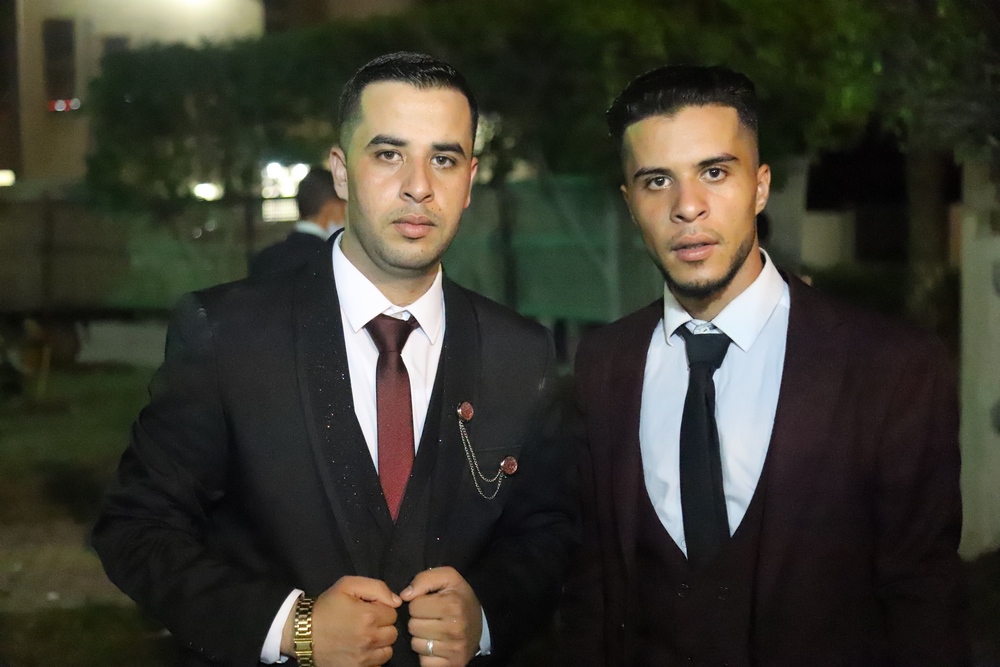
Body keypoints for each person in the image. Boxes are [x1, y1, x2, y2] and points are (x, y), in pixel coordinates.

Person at [93, 52, 575, 667]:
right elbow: (136, 527)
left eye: (444, 159)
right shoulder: (230, 335)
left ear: (470, 179)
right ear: (342, 173)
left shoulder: (520, 352)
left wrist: (486, 613)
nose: (419, 186)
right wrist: (290, 628)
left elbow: (550, 533)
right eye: (389, 154)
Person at [560, 65, 968, 666]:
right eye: (657, 181)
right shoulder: (603, 366)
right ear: (629, 202)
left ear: (759, 186)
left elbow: (924, 609)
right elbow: (592, 594)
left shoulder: (892, 370)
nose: (687, 207)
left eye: (714, 172)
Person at [249, 167, 345, 277]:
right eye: (343, 205)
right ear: (331, 207)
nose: (345, 214)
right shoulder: (332, 261)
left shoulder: (264, 258)